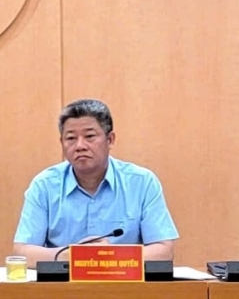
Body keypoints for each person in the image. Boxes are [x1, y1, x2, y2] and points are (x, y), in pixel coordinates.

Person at [12, 99, 178, 267]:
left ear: (110, 140)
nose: (80, 146)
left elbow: (164, 251)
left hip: (123, 281)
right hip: (64, 282)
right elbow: (22, 252)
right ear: (61, 143)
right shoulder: (44, 186)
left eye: (90, 136)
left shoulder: (142, 182)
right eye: (71, 138)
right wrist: (71, 256)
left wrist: (110, 256)